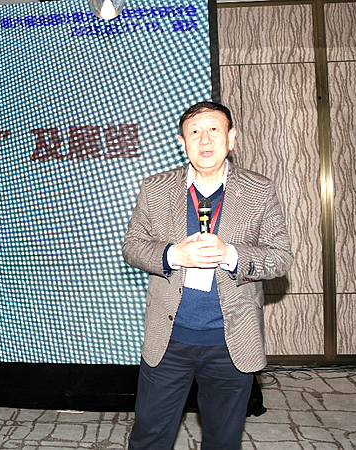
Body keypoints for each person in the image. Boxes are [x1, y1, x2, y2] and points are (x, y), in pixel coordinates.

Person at [122, 101, 293, 450]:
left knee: (223, 440)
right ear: (182, 142)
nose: (205, 139)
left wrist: (231, 255)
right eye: (194, 132)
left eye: (214, 129)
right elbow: (132, 247)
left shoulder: (259, 190)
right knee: (149, 437)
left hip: (230, 341)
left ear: (231, 138)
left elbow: (280, 259)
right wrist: (173, 254)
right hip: (169, 340)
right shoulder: (155, 189)